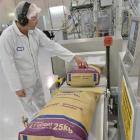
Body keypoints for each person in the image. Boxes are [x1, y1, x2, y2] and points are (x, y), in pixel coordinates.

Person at [0, 1, 87, 120]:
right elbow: (8, 64)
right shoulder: (7, 37)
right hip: (23, 84)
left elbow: (52, 45)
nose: (37, 21)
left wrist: (73, 57)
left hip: (36, 79)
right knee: (31, 113)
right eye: (34, 18)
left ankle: (46, 122)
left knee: (42, 106)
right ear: (22, 20)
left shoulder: (34, 32)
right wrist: (17, 87)